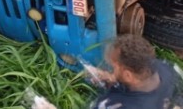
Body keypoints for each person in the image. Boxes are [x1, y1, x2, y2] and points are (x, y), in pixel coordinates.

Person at [31, 34, 183, 109]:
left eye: (114, 66)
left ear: (128, 75)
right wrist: (112, 79)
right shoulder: (167, 69)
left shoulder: (116, 106)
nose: (111, 68)